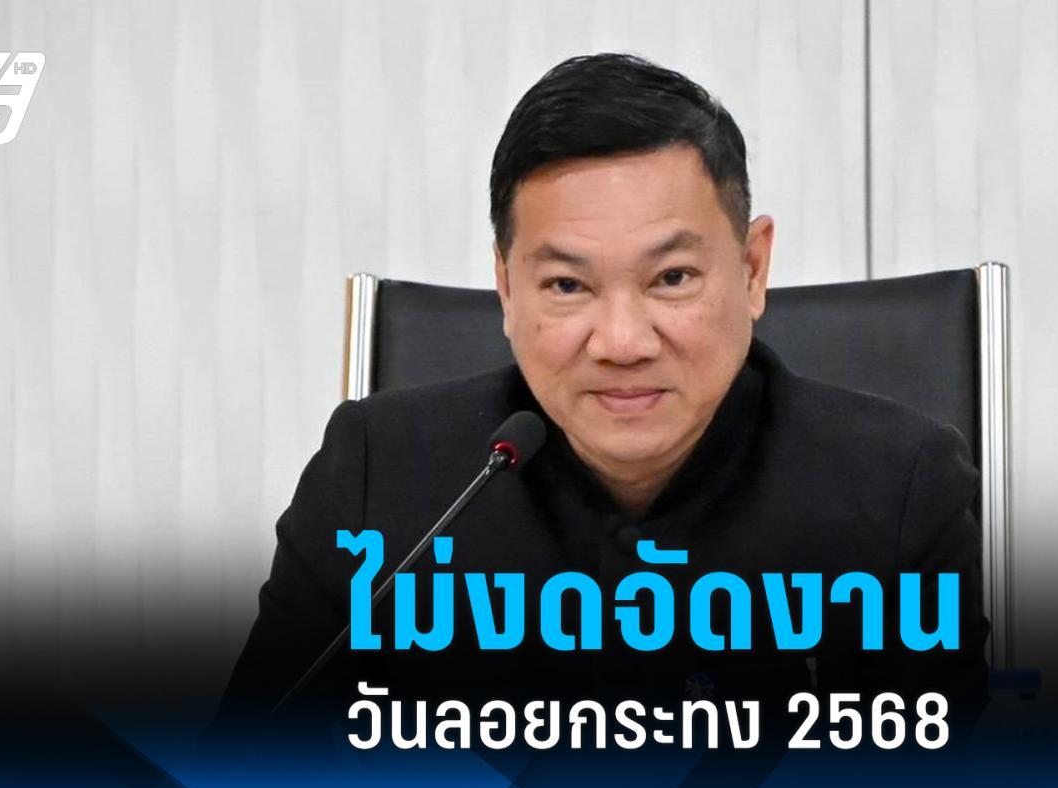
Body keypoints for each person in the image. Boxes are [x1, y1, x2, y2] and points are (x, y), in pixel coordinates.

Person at [207, 54, 988, 745]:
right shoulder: (377, 475)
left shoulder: (898, 489)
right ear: (506, 287)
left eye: (672, 278)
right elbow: (252, 785)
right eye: (567, 285)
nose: (621, 341)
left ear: (753, 270)